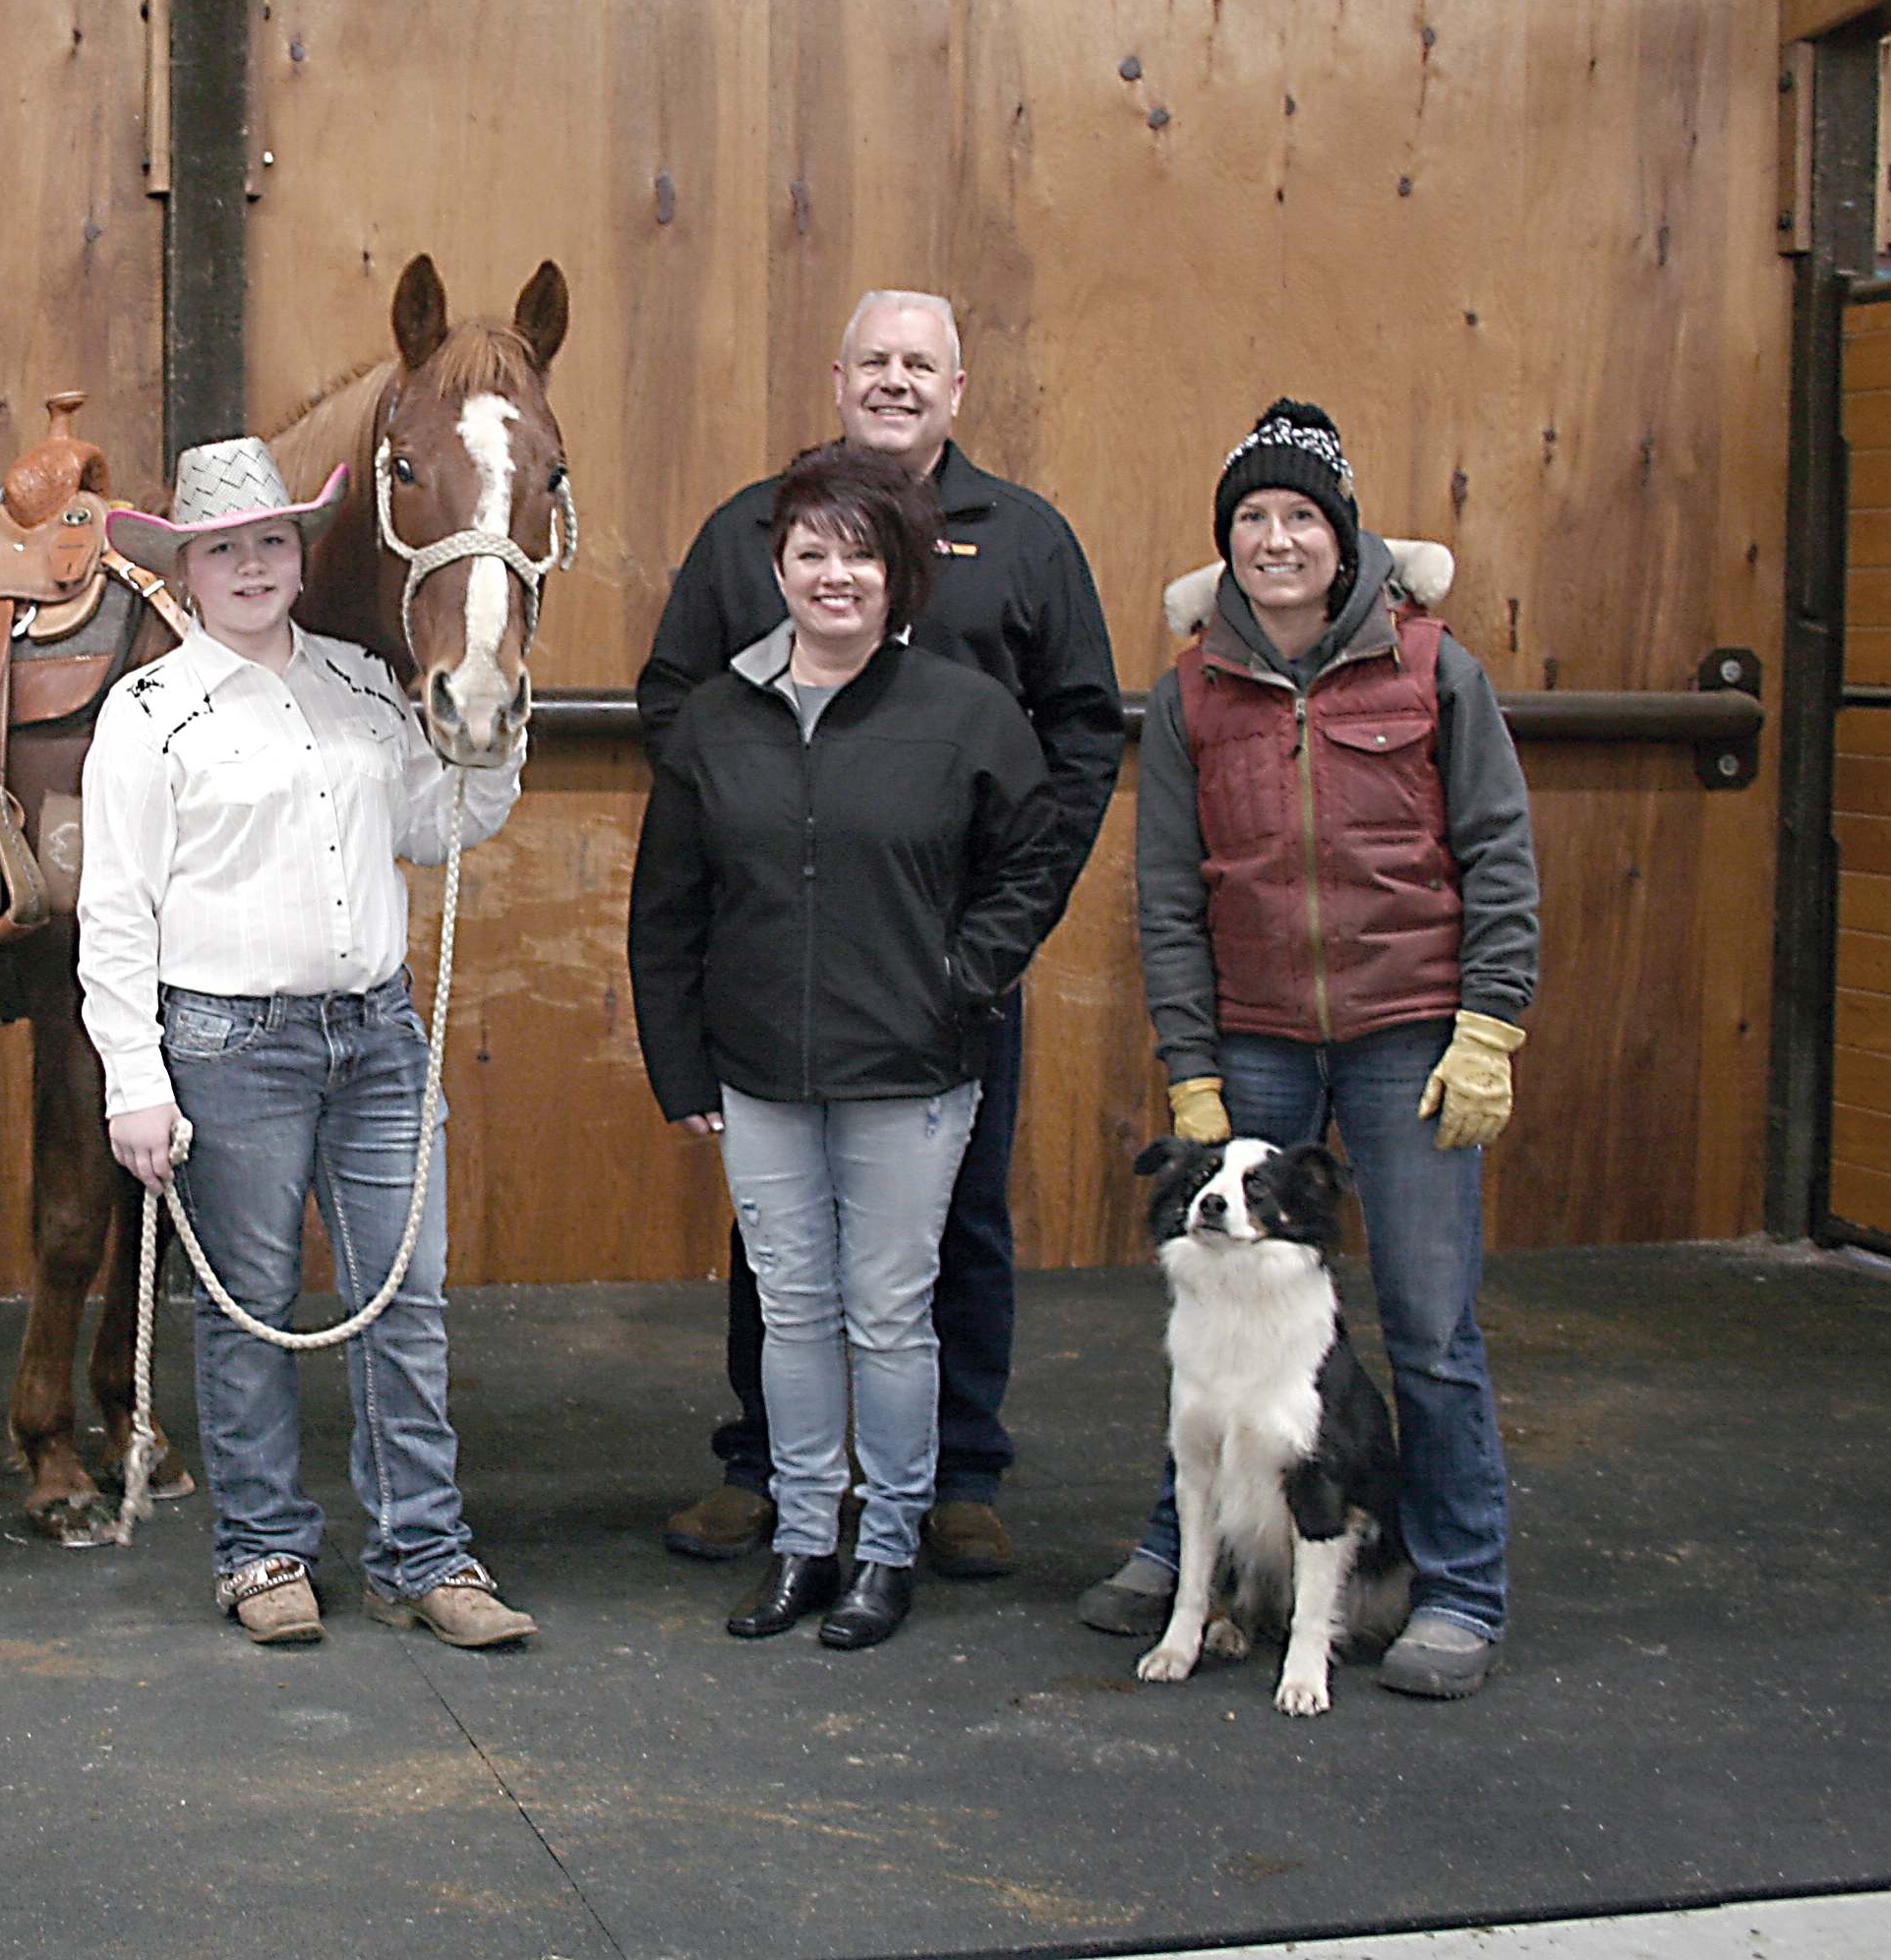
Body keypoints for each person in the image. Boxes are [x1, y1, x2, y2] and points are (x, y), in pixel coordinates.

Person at [636, 290, 1122, 1577]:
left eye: (923, 364)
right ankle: (769, 1473)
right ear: (836, 376)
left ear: (958, 389)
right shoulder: (749, 532)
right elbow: (677, 703)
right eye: (876, 361)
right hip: (781, 964)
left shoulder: (1025, 539)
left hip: (946, 962)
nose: (897, 381)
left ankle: (954, 1480)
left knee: (953, 1225)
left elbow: (1078, 735)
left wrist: (993, 935)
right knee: (782, 1246)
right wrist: (750, 827)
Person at [1077, 399, 1537, 1699]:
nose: (1276, 541)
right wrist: (1193, 1060)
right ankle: (1188, 1557)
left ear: (1343, 540)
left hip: (1412, 1041)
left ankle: (1457, 1592)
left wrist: (1490, 1018)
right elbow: (1169, 892)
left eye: (1300, 517)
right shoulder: (1191, 691)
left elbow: (1499, 849)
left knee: (1434, 1328)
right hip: (1259, 1039)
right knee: (1206, 1312)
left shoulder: (1435, 667)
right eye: (1251, 520)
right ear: (1226, 547)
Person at [78, 436, 536, 1650]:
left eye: (271, 543)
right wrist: (135, 1077)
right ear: (187, 567)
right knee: (248, 1305)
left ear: (298, 554)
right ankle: (261, 1549)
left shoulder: (363, 683)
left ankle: (425, 1553)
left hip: (377, 1037)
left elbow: (436, 829)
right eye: (223, 549)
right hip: (229, 1044)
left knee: (409, 1297)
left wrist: (495, 741)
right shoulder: (149, 712)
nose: (251, 566)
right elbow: (115, 911)